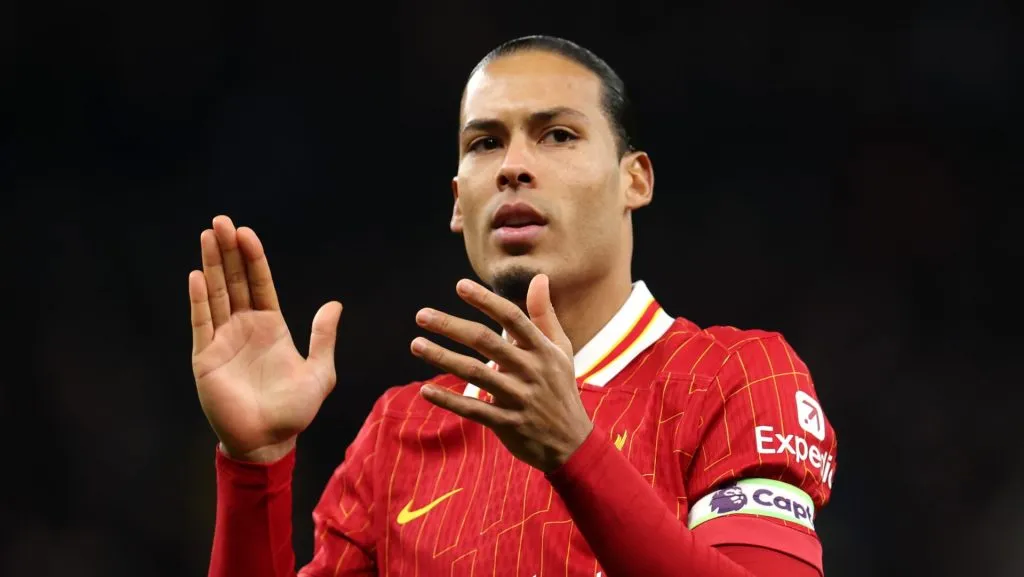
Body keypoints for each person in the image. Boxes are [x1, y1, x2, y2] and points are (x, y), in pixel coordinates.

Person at [190, 35, 837, 577]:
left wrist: (574, 452)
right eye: (484, 143)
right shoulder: (401, 433)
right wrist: (256, 467)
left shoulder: (738, 376)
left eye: (557, 135)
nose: (513, 167)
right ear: (457, 202)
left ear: (634, 179)